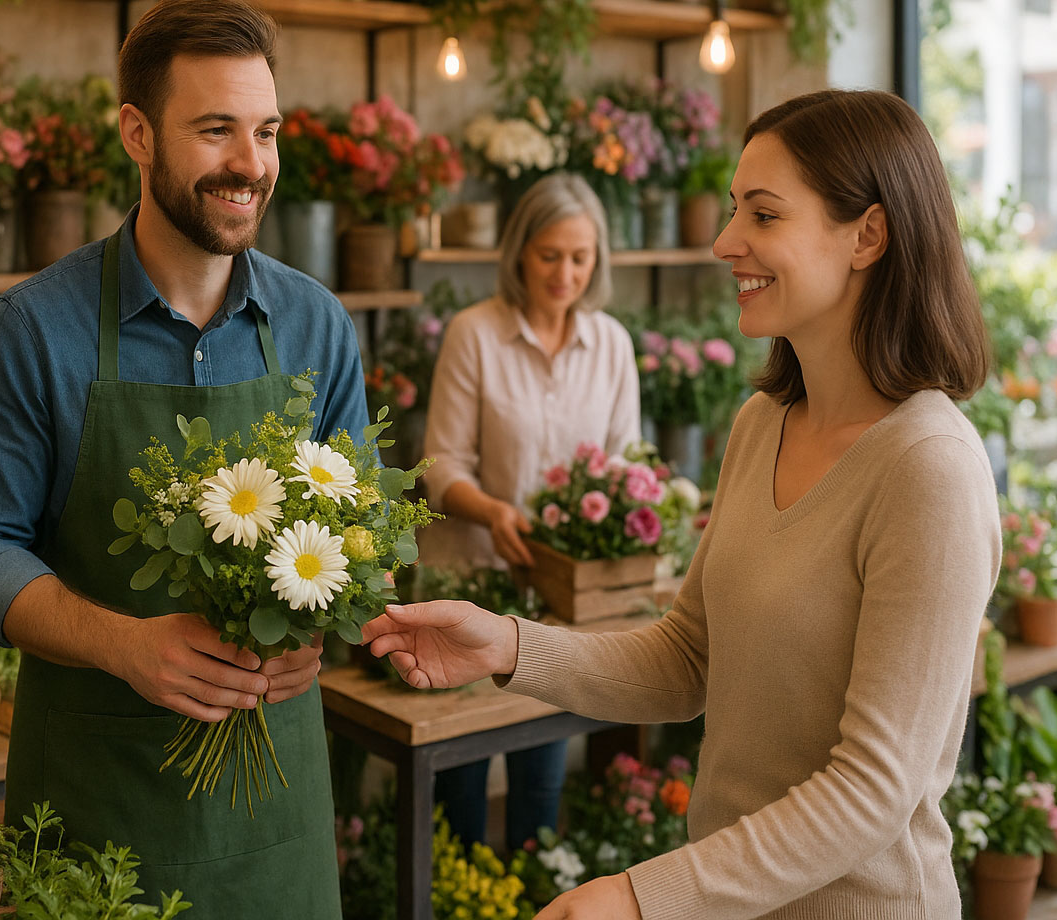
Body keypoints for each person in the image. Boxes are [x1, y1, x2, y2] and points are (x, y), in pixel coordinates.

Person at [365, 88, 998, 919]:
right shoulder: (762, 423)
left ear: (867, 236)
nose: (724, 241)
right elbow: (688, 660)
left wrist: (641, 896)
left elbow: (874, 790)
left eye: (763, 216)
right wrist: (507, 648)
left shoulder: (930, 469)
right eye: (735, 210)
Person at [0, 0, 366, 916]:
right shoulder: (33, 329)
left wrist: (320, 633)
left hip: (272, 819)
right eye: (216, 130)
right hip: (98, 806)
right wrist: (123, 644)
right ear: (137, 133)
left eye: (266, 131)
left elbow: (363, 537)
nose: (250, 165)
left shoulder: (317, 325)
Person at [423, 172, 641, 851]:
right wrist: (492, 512)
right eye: (551, 255)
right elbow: (440, 469)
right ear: (519, 251)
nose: (565, 273)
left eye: (580, 258)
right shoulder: (475, 335)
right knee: (459, 785)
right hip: (473, 587)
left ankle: (530, 889)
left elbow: (626, 470)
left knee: (541, 780)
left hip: (558, 603)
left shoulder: (612, 346)